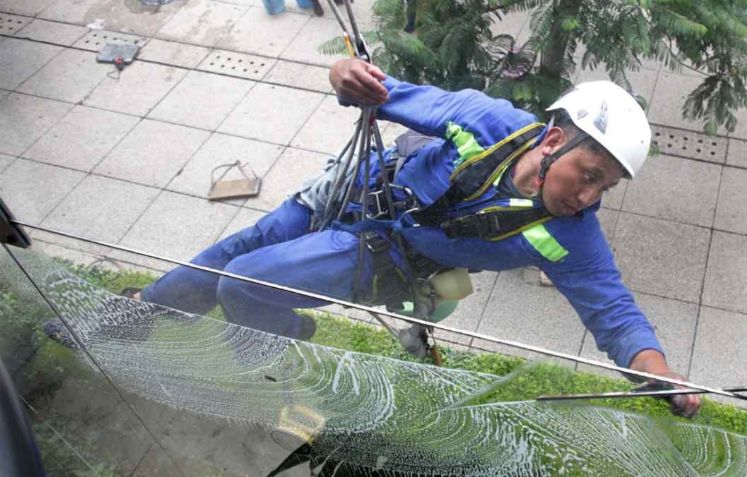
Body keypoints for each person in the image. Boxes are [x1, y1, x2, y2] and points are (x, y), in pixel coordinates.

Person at [129, 58, 701, 417]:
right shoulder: (487, 121)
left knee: (244, 285)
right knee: (238, 249)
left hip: (379, 256)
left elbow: (615, 313)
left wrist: (657, 371)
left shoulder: (569, 237)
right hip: (354, 188)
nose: (590, 198)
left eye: (607, 187)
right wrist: (343, 74)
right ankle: (140, 315)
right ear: (553, 142)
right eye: (591, 175)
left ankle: (281, 340)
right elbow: (383, 91)